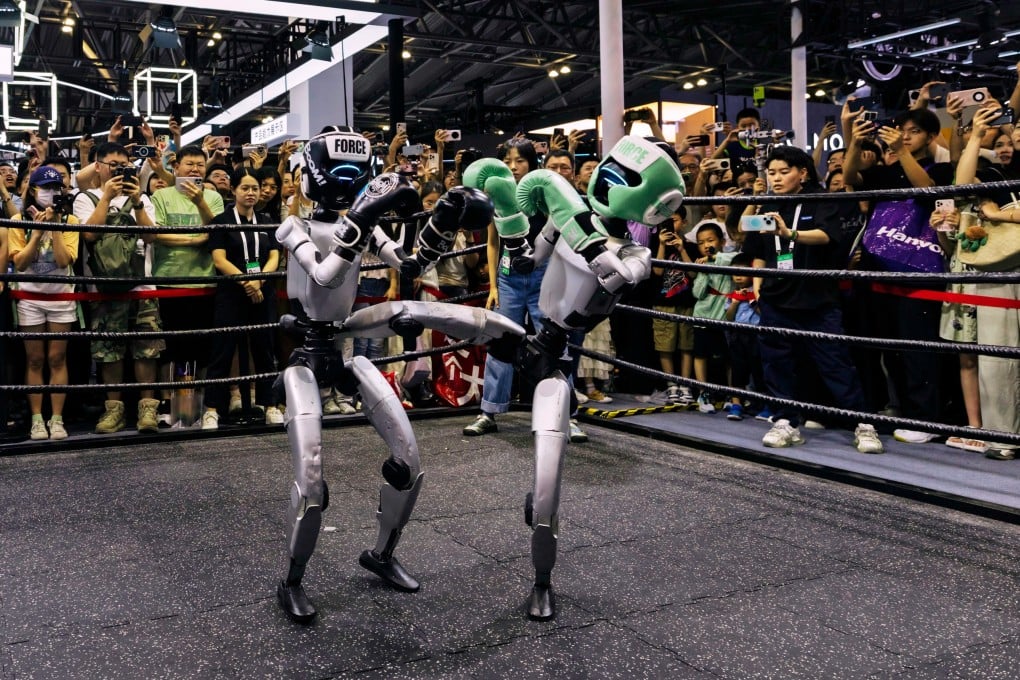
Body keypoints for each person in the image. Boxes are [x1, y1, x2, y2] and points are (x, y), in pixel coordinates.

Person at [272, 126, 523, 624]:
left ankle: (381, 554)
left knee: (407, 454)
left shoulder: (362, 227)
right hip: (305, 353)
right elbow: (323, 276)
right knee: (312, 474)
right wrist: (363, 217)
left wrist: (441, 224)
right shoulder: (292, 226)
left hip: (344, 343)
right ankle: (293, 578)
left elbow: (410, 267)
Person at [464, 134, 685, 620]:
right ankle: (491, 412)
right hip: (532, 326)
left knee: (548, 466)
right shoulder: (566, 217)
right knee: (474, 334)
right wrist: (523, 242)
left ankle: (543, 576)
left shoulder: (631, 249)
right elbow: (533, 254)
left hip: (562, 340)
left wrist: (585, 234)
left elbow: (619, 277)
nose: (610, 181)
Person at [741, 145, 882, 454]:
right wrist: (758, 287)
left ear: (802, 173)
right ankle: (786, 422)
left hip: (818, 297)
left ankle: (863, 424)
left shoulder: (821, 200)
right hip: (777, 298)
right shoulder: (769, 204)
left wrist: (789, 233)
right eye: (772, 172)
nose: (775, 178)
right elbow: (747, 234)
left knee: (837, 364)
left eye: (783, 172)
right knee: (777, 365)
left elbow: (826, 236)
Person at [74, 142, 163, 434]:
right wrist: (107, 198)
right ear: (97, 166)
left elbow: (151, 237)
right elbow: (88, 234)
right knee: (108, 351)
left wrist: (136, 200)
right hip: (105, 286)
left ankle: (147, 409)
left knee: (146, 350)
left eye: (122, 164)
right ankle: (113, 411)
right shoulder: (85, 197)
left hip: (142, 284)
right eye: (111, 164)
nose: (117, 169)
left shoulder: (143, 197)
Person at [150, 145, 225, 426]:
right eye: (189, 164)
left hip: (204, 283)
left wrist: (201, 202)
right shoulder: (161, 195)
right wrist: (194, 240)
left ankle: (199, 407)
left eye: (200, 165)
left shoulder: (214, 197)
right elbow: (156, 234)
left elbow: (215, 230)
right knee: (173, 348)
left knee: (202, 347)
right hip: (169, 281)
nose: (195, 169)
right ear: (176, 167)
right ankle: (173, 407)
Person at [201, 168, 281, 429]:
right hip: (232, 292)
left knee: (265, 349)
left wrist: (259, 281)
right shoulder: (222, 220)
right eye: (245, 188)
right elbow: (219, 259)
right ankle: (212, 409)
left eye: (255, 188)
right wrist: (246, 282)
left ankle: (270, 405)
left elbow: (274, 256)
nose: (251, 193)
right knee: (222, 350)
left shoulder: (267, 219)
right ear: (233, 190)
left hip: (262, 291)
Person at [7, 166, 80, 440]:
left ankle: (57, 419)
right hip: (29, 297)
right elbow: (20, 262)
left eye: (56, 188)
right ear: (33, 190)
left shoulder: (71, 221)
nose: (51, 193)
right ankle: (37, 419)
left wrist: (55, 225)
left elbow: (63, 260)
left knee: (57, 357)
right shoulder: (18, 219)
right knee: (35, 359)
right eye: (45, 188)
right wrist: (37, 231)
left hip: (61, 295)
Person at [652, 208, 698, 405]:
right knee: (665, 345)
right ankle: (671, 384)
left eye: (675, 221)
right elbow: (657, 271)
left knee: (687, 345)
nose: (672, 225)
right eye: (667, 222)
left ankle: (685, 384)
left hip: (687, 302)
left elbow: (695, 275)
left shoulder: (691, 246)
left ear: (684, 223)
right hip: (664, 303)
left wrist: (682, 250)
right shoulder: (655, 244)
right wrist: (662, 245)